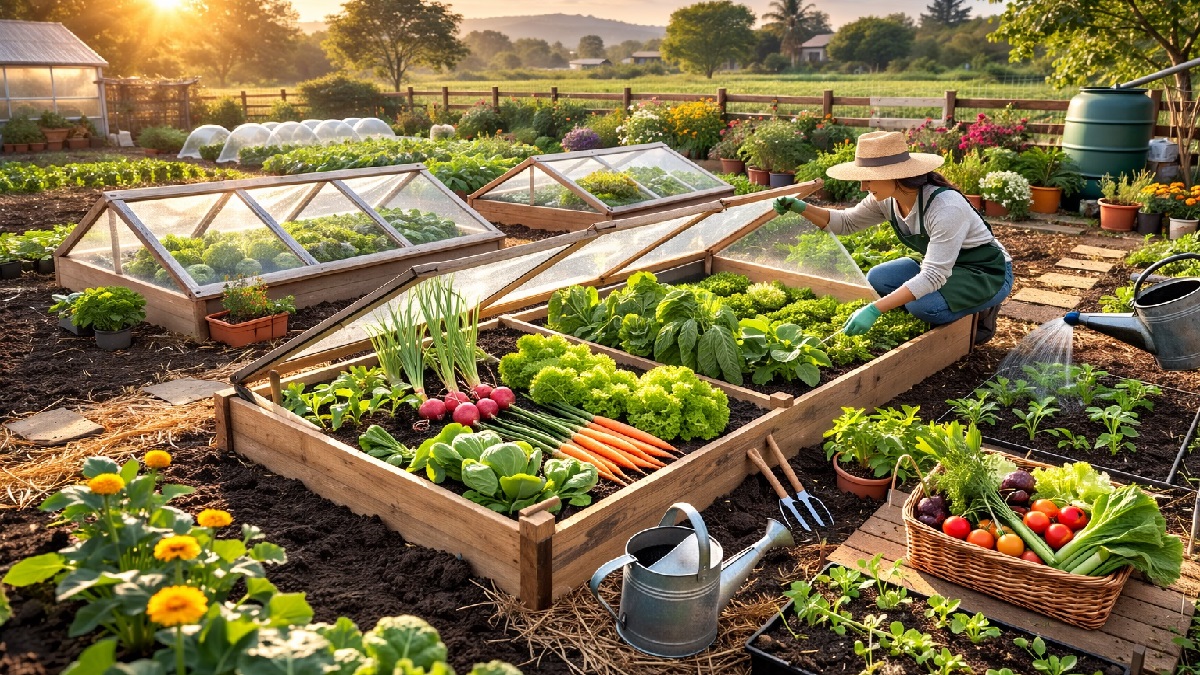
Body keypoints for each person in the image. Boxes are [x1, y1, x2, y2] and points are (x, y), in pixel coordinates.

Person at [773, 130, 1012, 345]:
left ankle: (981, 312)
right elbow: (846, 222)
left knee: (923, 307)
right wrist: (801, 207)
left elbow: (933, 275)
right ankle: (949, 301)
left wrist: (874, 309)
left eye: (868, 178)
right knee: (879, 278)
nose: (863, 186)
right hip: (945, 267)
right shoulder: (887, 199)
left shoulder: (946, 207)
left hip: (985, 272)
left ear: (894, 175)